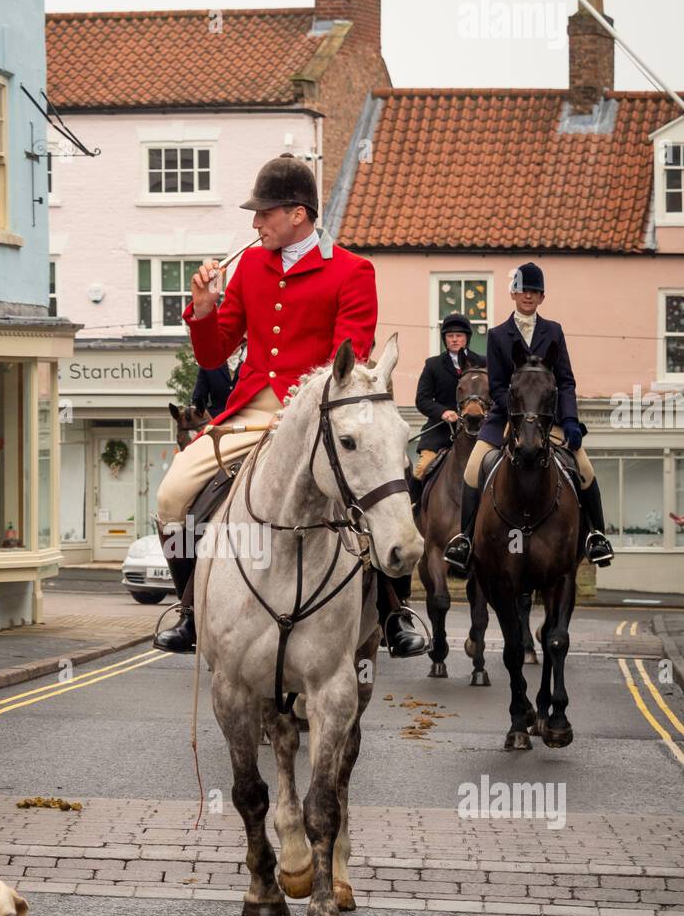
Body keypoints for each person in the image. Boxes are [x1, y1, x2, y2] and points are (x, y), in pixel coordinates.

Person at [152, 152, 426, 657]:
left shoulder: (352, 271)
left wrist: (304, 413)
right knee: (171, 497)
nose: (256, 223)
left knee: (369, 493)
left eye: (264, 213)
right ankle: (190, 608)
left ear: (297, 214)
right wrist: (204, 310)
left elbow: (354, 359)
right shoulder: (252, 267)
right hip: (251, 415)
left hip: (318, 418)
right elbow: (214, 355)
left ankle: (392, 611)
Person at [444, 262, 614, 573]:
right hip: (507, 416)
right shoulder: (497, 335)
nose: (528, 295)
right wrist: (515, 416)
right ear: (513, 293)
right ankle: (465, 539)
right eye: (523, 290)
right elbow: (496, 384)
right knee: (472, 470)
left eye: (534, 291)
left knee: (585, 467)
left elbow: (565, 380)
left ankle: (596, 535)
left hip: (550, 418)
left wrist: (571, 421)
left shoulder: (554, 331)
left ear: (542, 297)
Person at [410, 313, 486, 503]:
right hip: (441, 433)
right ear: (445, 338)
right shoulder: (433, 364)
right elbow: (422, 399)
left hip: (477, 431)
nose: (454, 339)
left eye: (459, 335)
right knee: (421, 469)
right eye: (450, 335)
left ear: (467, 337)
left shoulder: (483, 363)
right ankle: (412, 510)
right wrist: (443, 412)